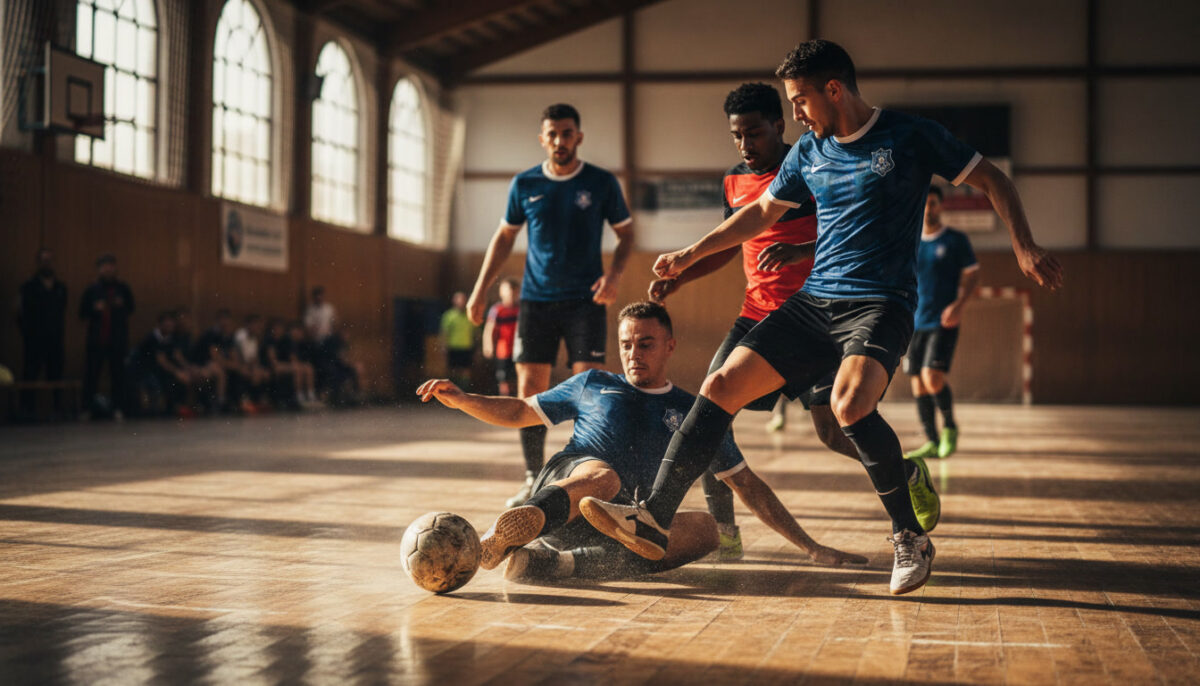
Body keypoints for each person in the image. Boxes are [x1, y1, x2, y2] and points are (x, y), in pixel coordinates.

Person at [580, 40, 1062, 596]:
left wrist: (1024, 246)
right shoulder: (809, 151)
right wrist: (690, 254)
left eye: (800, 100)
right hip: (814, 303)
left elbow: (993, 179)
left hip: (881, 303)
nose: (796, 114)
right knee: (719, 387)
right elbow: (761, 212)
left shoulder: (910, 135)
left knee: (848, 407)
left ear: (833, 89)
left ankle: (910, 537)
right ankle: (653, 517)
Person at [417, 302, 866, 583]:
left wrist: (812, 547)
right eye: (627, 344)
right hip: (567, 492)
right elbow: (520, 411)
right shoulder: (593, 383)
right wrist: (464, 400)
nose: (634, 354)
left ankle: (555, 566)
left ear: (670, 346)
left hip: (622, 521)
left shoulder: (696, 411)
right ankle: (509, 532)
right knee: (604, 478)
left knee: (708, 530)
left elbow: (746, 483)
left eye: (646, 344)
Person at [649, 82, 864, 562]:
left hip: (814, 318)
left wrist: (801, 250)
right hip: (755, 316)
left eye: (754, 133)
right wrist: (682, 277)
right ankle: (725, 531)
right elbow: (727, 245)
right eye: (736, 135)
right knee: (708, 417)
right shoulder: (733, 181)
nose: (745, 144)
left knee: (833, 432)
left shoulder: (811, 167)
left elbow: (848, 235)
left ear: (778, 125)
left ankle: (902, 473)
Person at [464, 103, 636, 508]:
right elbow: (504, 237)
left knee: (590, 390)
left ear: (579, 137)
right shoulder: (525, 184)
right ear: (542, 139)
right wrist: (480, 289)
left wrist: (613, 276)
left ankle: (588, 475)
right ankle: (532, 477)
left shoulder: (600, 182)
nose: (560, 140)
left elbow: (626, 234)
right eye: (552, 134)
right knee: (529, 391)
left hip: (585, 302)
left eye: (567, 133)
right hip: (536, 302)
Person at [904, 186, 980, 460]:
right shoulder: (910, 241)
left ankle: (949, 427)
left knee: (931, 376)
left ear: (941, 206)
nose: (928, 209)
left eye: (933, 203)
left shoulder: (955, 240)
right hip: (913, 322)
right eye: (924, 203)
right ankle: (932, 441)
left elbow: (972, 275)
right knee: (917, 382)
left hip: (942, 321)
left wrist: (959, 305)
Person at [79, 253, 135, 419]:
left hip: (117, 340)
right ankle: (87, 408)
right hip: (97, 340)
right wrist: (94, 308)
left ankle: (118, 408)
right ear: (99, 269)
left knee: (118, 375)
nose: (108, 269)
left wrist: (121, 305)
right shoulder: (92, 289)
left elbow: (131, 308)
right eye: (104, 266)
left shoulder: (123, 288)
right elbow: (82, 313)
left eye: (111, 266)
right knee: (91, 376)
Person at [16, 249, 68, 419]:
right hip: (34, 339)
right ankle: (27, 410)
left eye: (50, 260)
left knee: (56, 373)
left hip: (55, 339)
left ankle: (57, 410)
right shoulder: (28, 287)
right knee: (31, 373)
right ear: (38, 263)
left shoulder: (60, 288)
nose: (47, 264)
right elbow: (21, 314)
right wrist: (29, 334)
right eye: (44, 261)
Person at [131, 311, 191, 416]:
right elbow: (161, 361)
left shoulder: (170, 338)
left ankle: (176, 408)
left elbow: (177, 356)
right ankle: (153, 412)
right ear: (160, 324)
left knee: (180, 379)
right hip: (144, 371)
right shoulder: (152, 338)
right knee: (163, 382)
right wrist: (177, 372)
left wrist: (189, 369)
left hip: (159, 370)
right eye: (167, 325)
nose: (170, 327)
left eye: (171, 325)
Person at [482, 278, 520, 396]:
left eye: (514, 292)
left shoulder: (520, 309)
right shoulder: (497, 310)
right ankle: (505, 400)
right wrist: (488, 345)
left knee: (517, 379)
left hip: (519, 351)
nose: (511, 295)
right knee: (504, 380)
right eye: (509, 292)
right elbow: (489, 329)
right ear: (502, 293)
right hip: (503, 351)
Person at [440, 292, 476, 389]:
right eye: (459, 300)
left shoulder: (469, 315)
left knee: (466, 370)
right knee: (453, 370)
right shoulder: (448, 316)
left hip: (466, 347)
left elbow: (475, 332)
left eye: (463, 300)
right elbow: (444, 332)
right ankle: (452, 390)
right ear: (454, 301)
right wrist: (443, 346)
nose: (461, 302)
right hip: (453, 347)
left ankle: (464, 391)